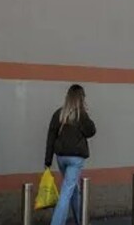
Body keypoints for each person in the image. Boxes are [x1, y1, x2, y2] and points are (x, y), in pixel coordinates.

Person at [45, 84, 97, 225]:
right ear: (82, 98)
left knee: (73, 189)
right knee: (66, 192)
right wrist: (84, 113)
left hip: (61, 157)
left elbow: (51, 137)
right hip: (75, 158)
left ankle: (81, 220)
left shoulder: (59, 114)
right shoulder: (81, 115)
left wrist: (48, 161)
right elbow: (91, 131)